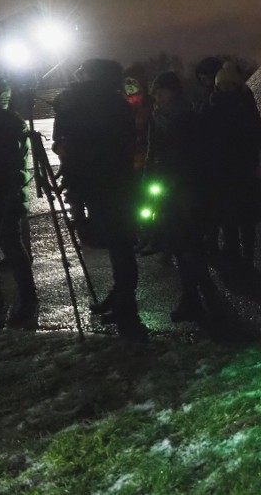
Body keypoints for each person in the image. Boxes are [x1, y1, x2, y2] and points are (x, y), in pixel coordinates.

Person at [52, 59, 147, 342]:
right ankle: (121, 297)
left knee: (118, 245)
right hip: (117, 184)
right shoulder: (116, 104)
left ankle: (125, 307)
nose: (77, 75)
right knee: (120, 246)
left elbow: (66, 136)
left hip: (97, 184)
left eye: (83, 73)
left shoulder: (82, 104)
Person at [147, 71, 220, 323]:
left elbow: (196, 157)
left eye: (162, 92)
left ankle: (200, 299)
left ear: (173, 92)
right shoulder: (159, 119)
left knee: (188, 246)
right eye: (155, 92)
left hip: (187, 190)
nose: (157, 97)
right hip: (170, 189)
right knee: (182, 247)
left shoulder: (186, 118)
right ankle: (199, 298)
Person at [202, 61, 261, 274]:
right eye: (223, 84)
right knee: (228, 219)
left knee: (244, 220)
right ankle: (233, 256)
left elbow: (258, 134)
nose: (226, 88)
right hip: (223, 171)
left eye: (231, 84)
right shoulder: (212, 106)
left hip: (241, 170)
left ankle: (246, 260)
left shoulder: (244, 105)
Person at [0, 74, 39, 328]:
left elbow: (12, 163)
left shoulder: (7, 123)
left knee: (11, 246)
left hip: (3, 193)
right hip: (2, 192)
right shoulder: (10, 121)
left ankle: (28, 298)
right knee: (6, 246)